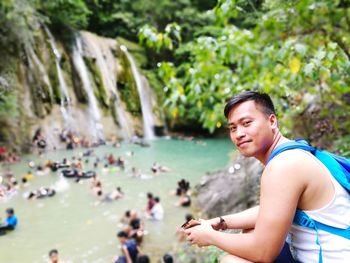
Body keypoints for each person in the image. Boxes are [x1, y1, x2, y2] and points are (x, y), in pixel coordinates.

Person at [184, 91, 350, 262]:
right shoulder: (295, 151)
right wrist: (220, 222)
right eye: (233, 128)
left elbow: (263, 252)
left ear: (272, 121)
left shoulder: (283, 166)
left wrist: (210, 237)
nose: (239, 133)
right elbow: (272, 210)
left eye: (246, 123)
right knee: (250, 230)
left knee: (231, 262)